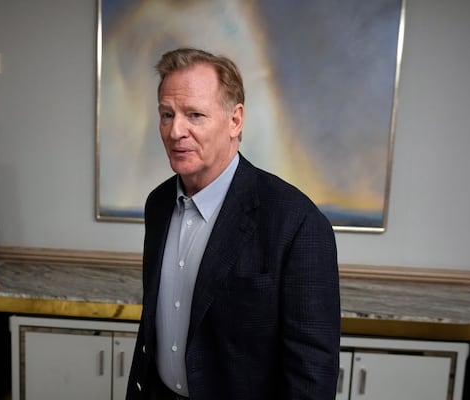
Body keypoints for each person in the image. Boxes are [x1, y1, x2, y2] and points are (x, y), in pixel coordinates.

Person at [126, 48, 340, 400]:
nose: (175, 130)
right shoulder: (159, 204)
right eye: (167, 114)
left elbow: (312, 373)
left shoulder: (297, 222)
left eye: (194, 114)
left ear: (235, 120)